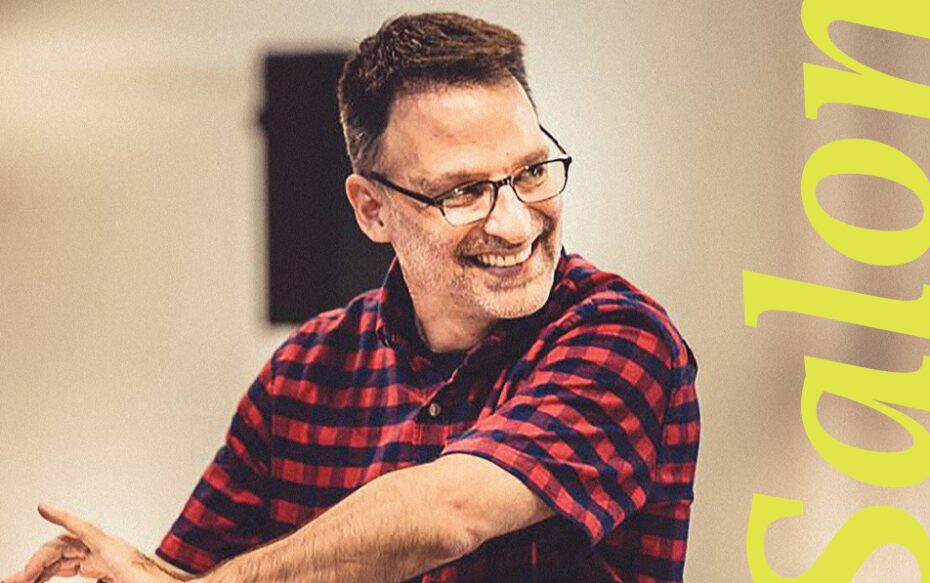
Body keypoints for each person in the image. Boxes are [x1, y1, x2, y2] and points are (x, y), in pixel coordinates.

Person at [3, 12, 699, 583]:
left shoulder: (621, 338)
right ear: (371, 209)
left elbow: (446, 514)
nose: (515, 223)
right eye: (464, 191)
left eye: (532, 171)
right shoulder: (303, 371)